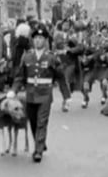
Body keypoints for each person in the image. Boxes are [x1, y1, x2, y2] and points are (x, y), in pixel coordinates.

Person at [9, 25, 71, 163]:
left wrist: (66, 96)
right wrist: (14, 90)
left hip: (45, 94)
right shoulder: (27, 56)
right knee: (33, 122)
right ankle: (41, 143)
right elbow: (20, 76)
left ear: (45, 41)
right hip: (30, 93)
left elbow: (60, 76)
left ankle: (38, 151)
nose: (38, 41)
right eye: (36, 38)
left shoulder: (51, 57)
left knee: (42, 122)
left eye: (40, 38)